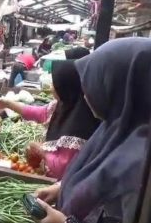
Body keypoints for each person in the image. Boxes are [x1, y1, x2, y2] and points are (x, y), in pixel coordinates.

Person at [34, 37, 151, 223]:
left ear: (117, 85)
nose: (86, 92)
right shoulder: (112, 130)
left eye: (95, 80)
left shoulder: (141, 164)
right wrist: (62, 188)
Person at [0, 50, 99, 180]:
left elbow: (62, 169)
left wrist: (41, 151)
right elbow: (38, 113)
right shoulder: (64, 105)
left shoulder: (80, 122)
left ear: (65, 87)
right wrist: (7, 103)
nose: (51, 87)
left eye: (54, 83)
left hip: (62, 186)